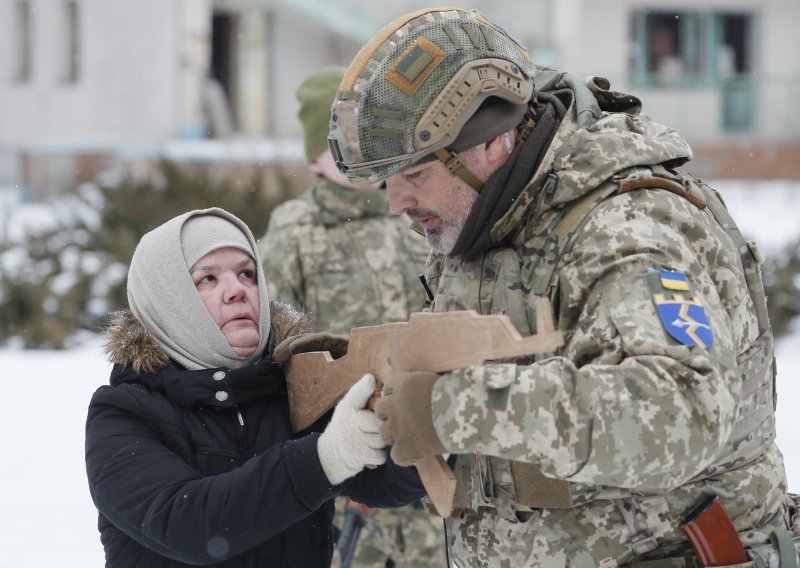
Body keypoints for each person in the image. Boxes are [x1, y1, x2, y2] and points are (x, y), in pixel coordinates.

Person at [329, 7, 798, 566]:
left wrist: (450, 409)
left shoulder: (625, 226)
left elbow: (683, 412)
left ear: (489, 143)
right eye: (387, 182)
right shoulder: (489, 221)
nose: (397, 204)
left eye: (414, 176)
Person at [84, 207, 425, 567]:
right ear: (168, 301)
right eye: (208, 279)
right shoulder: (123, 412)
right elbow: (189, 526)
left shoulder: (294, 388)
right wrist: (324, 457)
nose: (237, 291)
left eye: (247, 274)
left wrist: (421, 430)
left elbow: (380, 483)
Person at [259, 67, 444, 567]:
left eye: (366, 142)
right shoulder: (294, 233)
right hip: (346, 460)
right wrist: (324, 450)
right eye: (339, 145)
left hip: (425, 450)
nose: (357, 157)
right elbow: (278, 359)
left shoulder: (414, 217)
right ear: (315, 160)